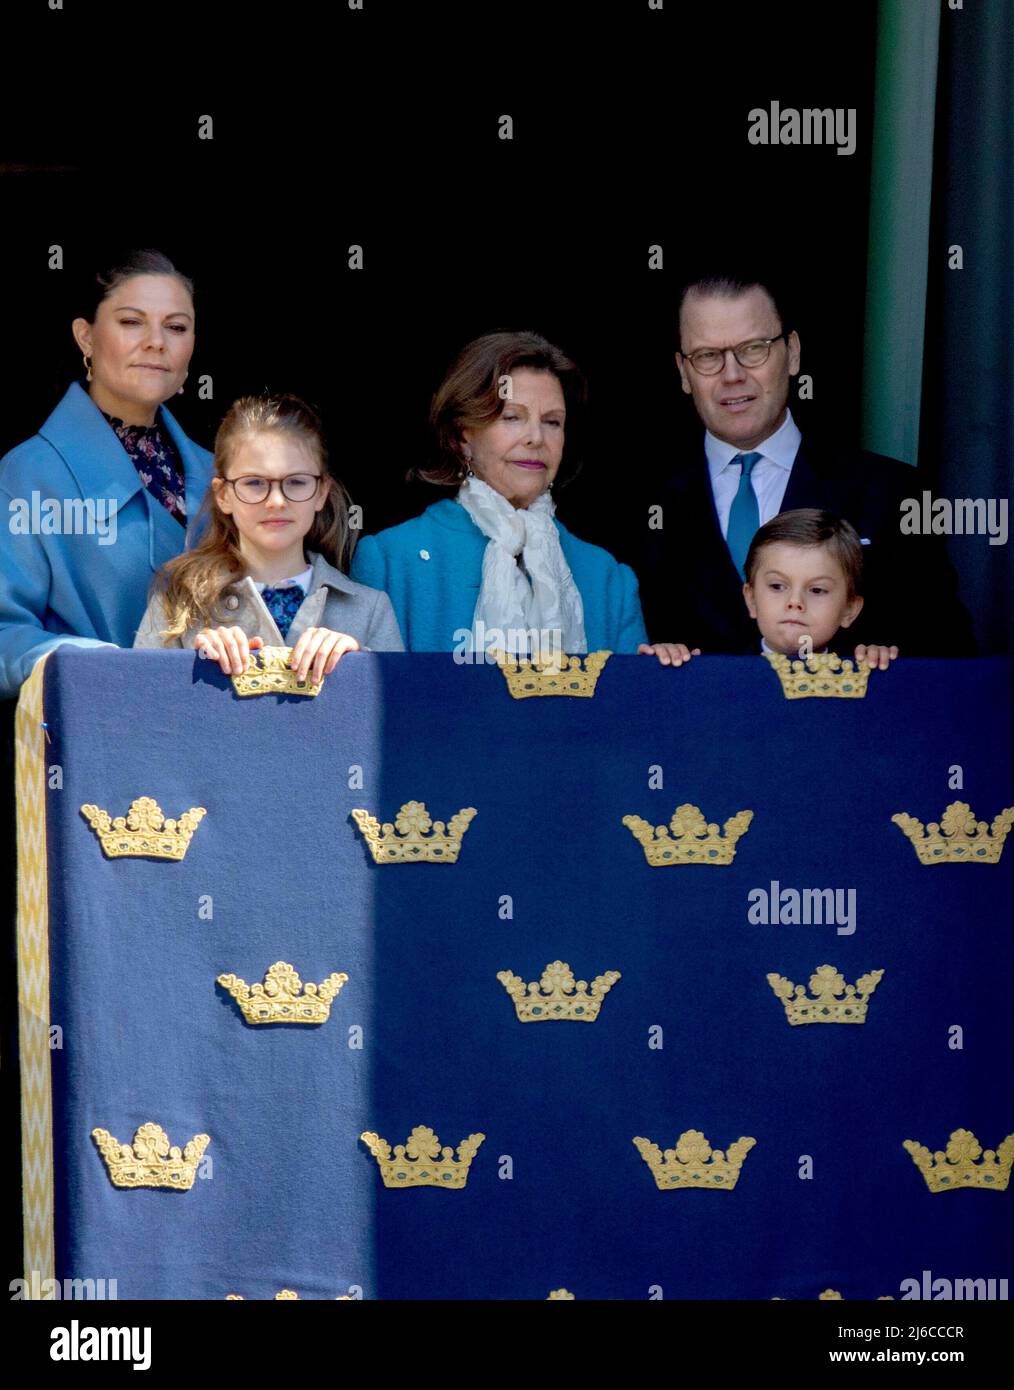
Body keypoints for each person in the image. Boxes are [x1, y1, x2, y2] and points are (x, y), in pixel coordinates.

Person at [631, 272, 975, 656]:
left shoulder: (892, 493)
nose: (732, 375)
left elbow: (947, 658)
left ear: (792, 353)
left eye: (753, 348)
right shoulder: (636, 504)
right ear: (683, 372)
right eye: (708, 356)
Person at [349, 330, 692, 665]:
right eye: (512, 417)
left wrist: (664, 667)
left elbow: (629, 714)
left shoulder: (607, 578)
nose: (535, 438)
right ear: (461, 436)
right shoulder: (391, 560)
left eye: (553, 422)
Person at [0, 249, 214, 699]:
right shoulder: (28, 474)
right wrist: (100, 666)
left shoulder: (222, 474)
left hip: (221, 735)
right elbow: (6, 633)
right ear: (86, 338)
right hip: (97, 735)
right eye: (131, 322)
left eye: (176, 327)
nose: (157, 341)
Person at [135, 394, 403, 682]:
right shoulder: (176, 603)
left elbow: (402, 718)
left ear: (321, 492)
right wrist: (192, 667)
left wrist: (360, 666)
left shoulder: (369, 610)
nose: (276, 501)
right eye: (254, 483)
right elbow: (138, 710)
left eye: (296, 482)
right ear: (223, 495)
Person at [743, 509, 897, 669]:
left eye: (816, 590)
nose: (795, 602)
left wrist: (881, 670)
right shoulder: (721, 675)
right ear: (752, 599)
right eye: (777, 586)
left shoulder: (864, 670)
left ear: (849, 609)